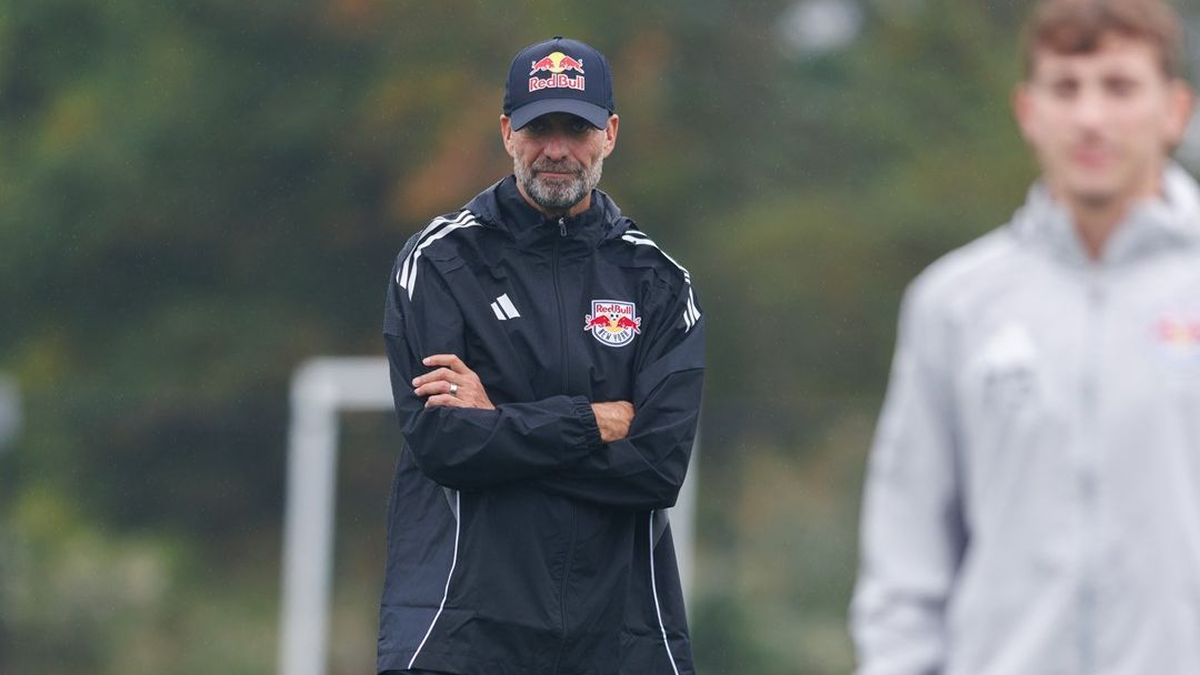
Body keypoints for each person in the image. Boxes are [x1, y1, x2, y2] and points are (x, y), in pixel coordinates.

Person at [851, 0, 1200, 673]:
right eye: (1067, 88)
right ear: (1029, 111)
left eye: (1120, 86)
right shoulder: (953, 303)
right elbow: (906, 555)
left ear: (1174, 111)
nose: (1091, 117)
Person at [377, 36, 704, 675]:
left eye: (576, 127)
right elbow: (444, 445)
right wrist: (594, 422)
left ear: (610, 133)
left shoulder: (658, 280)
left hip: (623, 638)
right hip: (458, 632)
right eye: (538, 127)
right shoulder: (442, 262)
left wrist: (500, 421)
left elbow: (660, 469)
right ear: (506, 131)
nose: (556, 150)